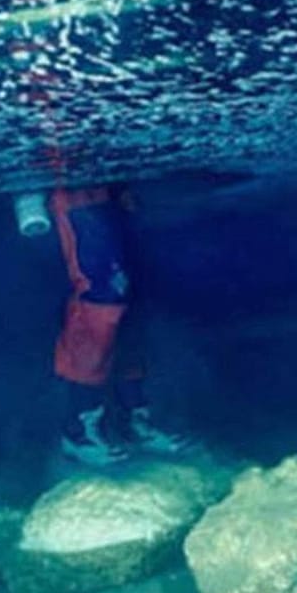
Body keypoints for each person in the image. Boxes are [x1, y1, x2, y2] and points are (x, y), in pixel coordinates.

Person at [41, 183, 196, 466]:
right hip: (76, 193)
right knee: (101, 298)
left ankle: (132, 417)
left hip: (103, 189)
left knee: (127, 301)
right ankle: (78, 427)